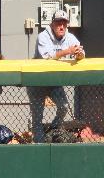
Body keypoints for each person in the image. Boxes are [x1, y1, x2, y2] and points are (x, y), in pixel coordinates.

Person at [28, 10, 85, 143]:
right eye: (58, 23)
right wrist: (67, 51)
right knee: (37, 117)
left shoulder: (70, 37)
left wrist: (78, 54)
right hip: (37, 80)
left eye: (64, 23)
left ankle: (53, 127)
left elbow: (82, 53)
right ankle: (39, 145)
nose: (61, 26)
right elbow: (46, 56)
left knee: (64, 106)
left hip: (54, 81)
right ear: (52, 24)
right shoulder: (43, 36)